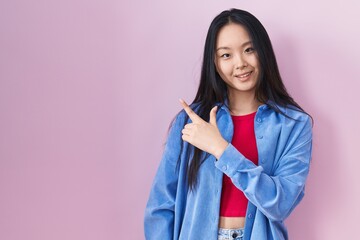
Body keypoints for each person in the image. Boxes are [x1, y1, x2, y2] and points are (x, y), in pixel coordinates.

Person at [144, 8, 313, 240]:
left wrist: (221, 149)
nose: (240, 63)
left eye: (249, 49)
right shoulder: (192, 122)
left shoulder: (293, 125)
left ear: (263, 52)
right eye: (226, 55)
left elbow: (281, 203)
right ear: (214, 62)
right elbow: (161, 206)